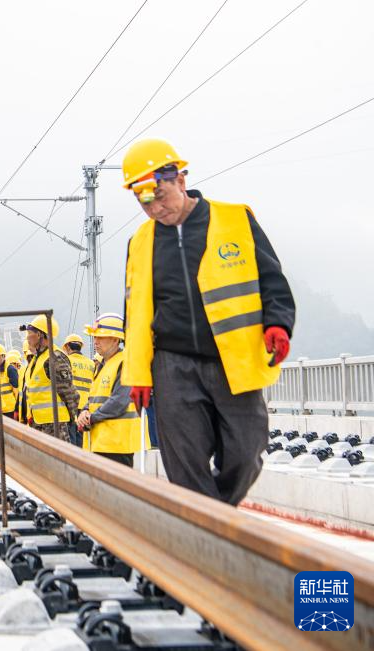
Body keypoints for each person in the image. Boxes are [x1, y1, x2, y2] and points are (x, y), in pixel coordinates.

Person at [121, 138, 294, 505]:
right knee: (184, 461)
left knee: (246, 451)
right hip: (172, 364)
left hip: (232, 359)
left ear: (181, 180)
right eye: (144, 202)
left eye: (160, 195)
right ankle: (203, 527)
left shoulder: (235, 220)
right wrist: (137, 373)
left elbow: (271, 279)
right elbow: (134, 314)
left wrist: (278, 323)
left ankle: (213, 514)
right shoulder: (140, 242)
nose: (155, 208)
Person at [76, 314, 142, 467]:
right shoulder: (103, 365)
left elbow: (119, 401)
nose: (95, 341)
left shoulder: (125, 363)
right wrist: (84, 411)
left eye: (100, 337)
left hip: (117, 443)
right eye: (95, 337)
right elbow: (94, 397)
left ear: (115, 339)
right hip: (101, 441)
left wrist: (91, 418)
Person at [16, 315, 78, 443]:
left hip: (55, 425)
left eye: (29, 333)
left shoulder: (55, 357)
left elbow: (69, 392)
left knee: (58, 455)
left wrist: (72, 419)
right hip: (39, 423)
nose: (27, 337)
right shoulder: (37, 358)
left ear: (39, 334)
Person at [62, 333, 94, 446]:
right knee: (82, 437)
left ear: (67, 346)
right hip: (86, 406)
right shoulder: (91, 363)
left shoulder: (66, 361)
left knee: (71, 437)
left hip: (72, 405)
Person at [0, 343, 19, 418]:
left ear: (3, 356)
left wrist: (18, 409)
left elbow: (17, 390)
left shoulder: (10, 369)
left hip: (10, 410)